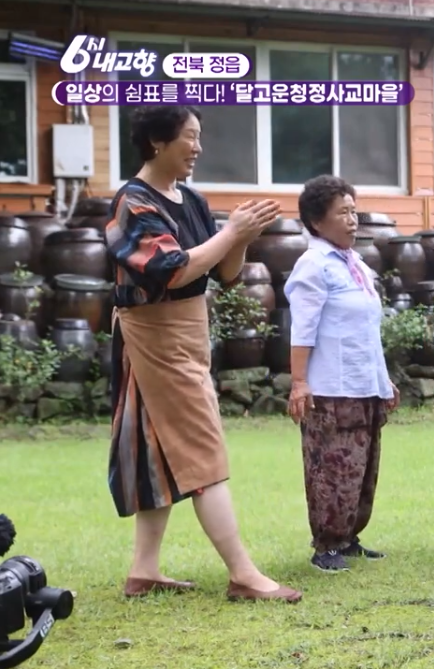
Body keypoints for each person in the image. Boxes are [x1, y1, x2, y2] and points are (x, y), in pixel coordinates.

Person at [105, 105, 301, 603]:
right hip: (154, 337)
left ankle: (143, 570)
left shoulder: (190, 198)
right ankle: (243, 573)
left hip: (187, 334)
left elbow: (224, 273)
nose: (198, 147)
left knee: (159, 451)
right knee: (203, 451)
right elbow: (170, 270)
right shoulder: (133, 202)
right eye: (189, 137)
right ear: (156, 142)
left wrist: (242, 237)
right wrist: (230, 233)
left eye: (199, 137)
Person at [284, 175, 400, 573]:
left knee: (362, 469)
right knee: (332, 469)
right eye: (343, 213)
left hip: (364, 385)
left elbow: (367, 332)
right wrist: (299, 382)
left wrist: (384, 381)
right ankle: (326, 545)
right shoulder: (313, 265)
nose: (353, 220)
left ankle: (349, 538)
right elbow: (302, 329)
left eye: (354, 211)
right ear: (317, 222)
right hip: (330, 389)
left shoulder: (356, 265)